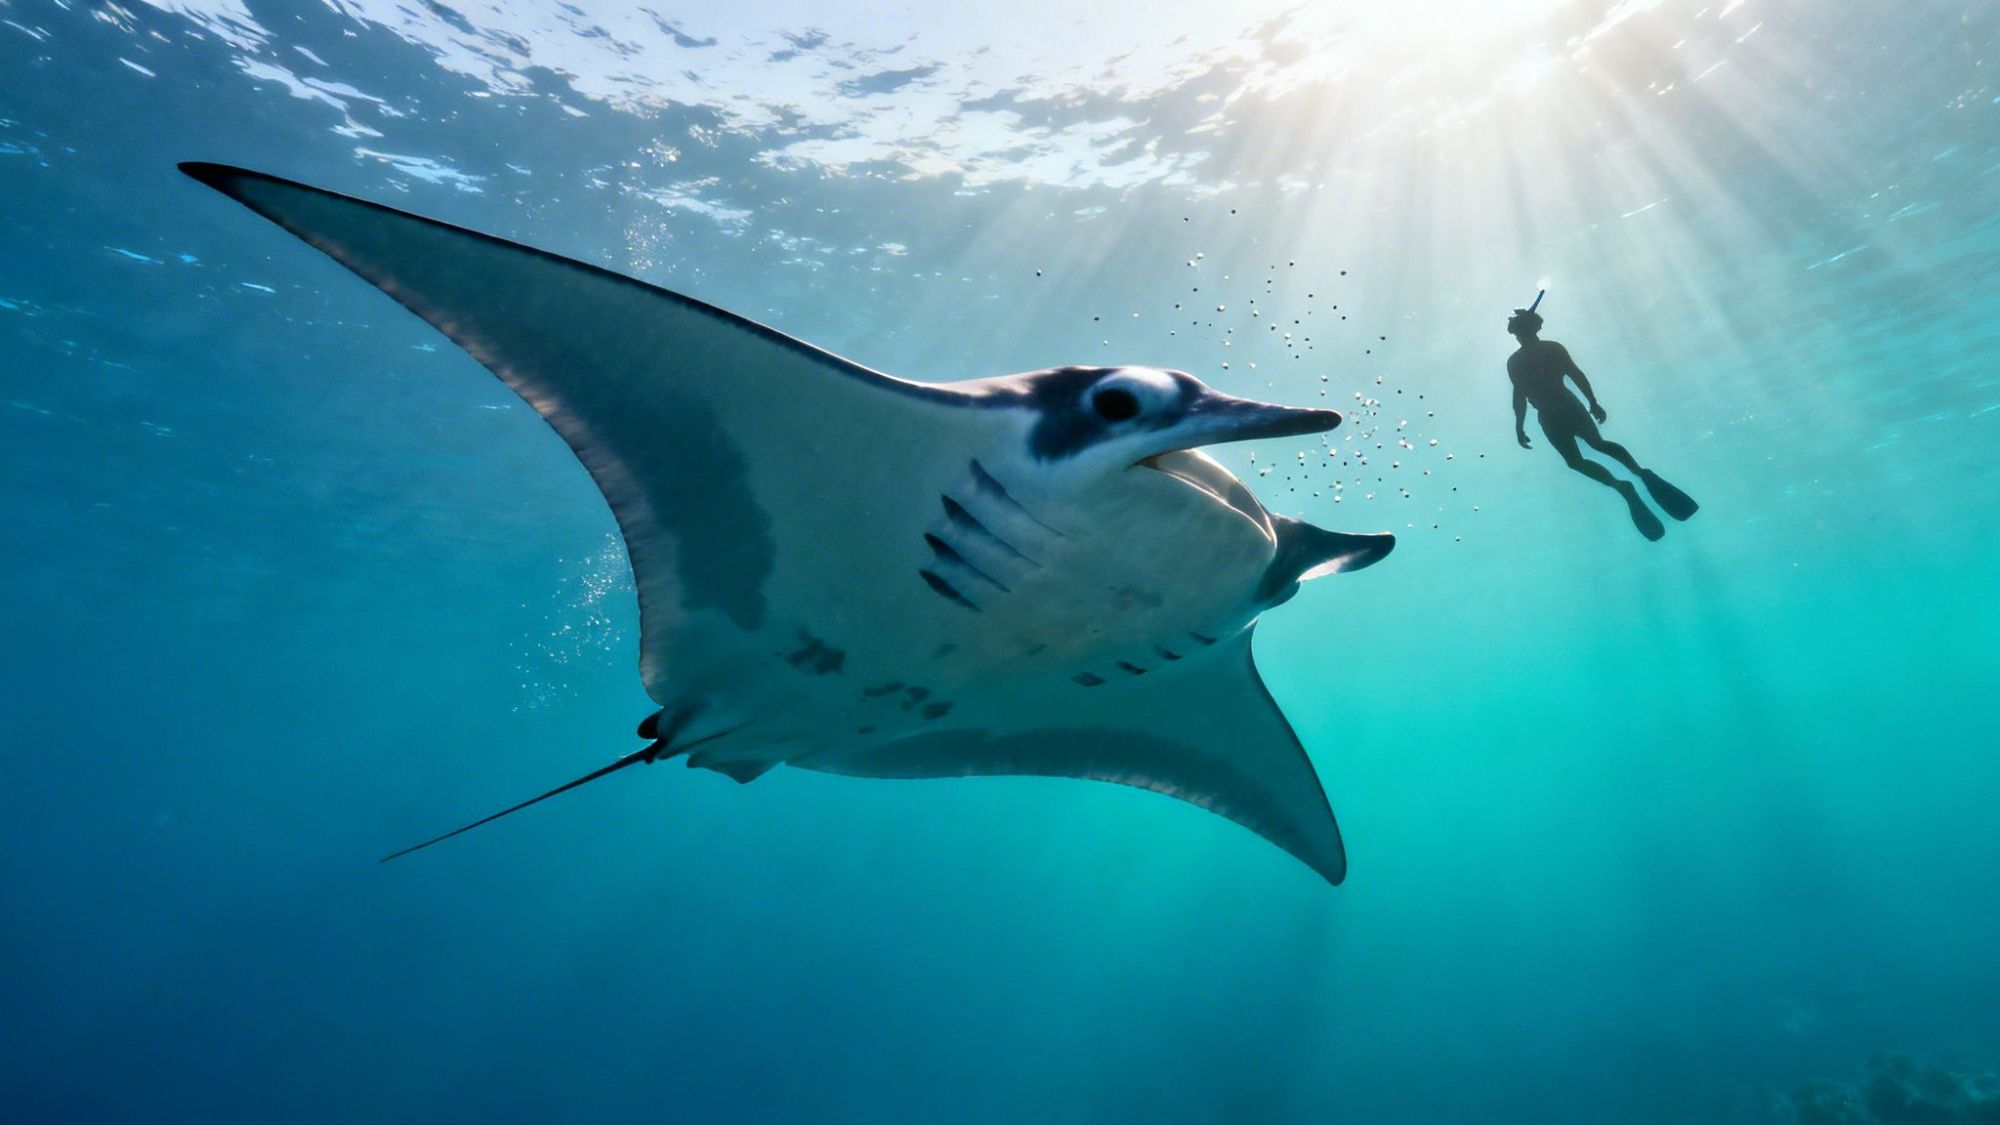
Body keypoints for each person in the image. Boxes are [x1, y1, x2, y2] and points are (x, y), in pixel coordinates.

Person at [1506, 298, 1697, 540]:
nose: (1518, 337)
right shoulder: (1545, 351)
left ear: (1523, 331)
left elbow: (1531, 392)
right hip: (1562, 408)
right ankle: (1632, 477)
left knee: (1582, 456)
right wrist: (1591, 401)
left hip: (1553, 412)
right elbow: (1545, 386)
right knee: (1591, 449)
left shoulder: (1524, 359)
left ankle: (1628, 481)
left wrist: (1592, 402)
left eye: (1517, 333)